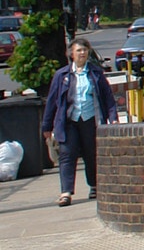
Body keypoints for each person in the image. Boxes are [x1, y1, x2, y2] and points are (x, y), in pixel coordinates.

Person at [40, 38, 116, 206]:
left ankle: (94, 186)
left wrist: (113, 118)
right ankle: (66, 191)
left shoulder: (95, 73)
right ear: (71, 54)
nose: (82, 53)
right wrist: (47, 126)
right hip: (69, 121)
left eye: (85, 50)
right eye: (79, 50)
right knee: (67, 154)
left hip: (90, 119)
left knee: (91, 153)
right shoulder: (62, 75)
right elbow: (52, 102)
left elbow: (108, 98)